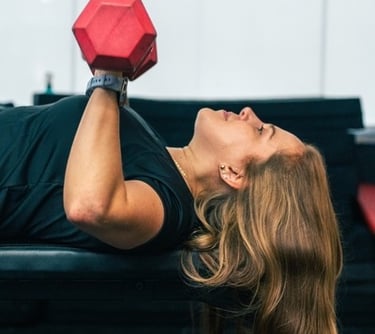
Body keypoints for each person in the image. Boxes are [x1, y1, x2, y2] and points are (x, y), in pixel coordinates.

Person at [0, 69, 343, 334]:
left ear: (235, 173)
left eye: (259, 130)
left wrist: (108, 79)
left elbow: (91, 206)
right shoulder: (164, 166)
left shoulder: (169, 205)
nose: (249, 113)